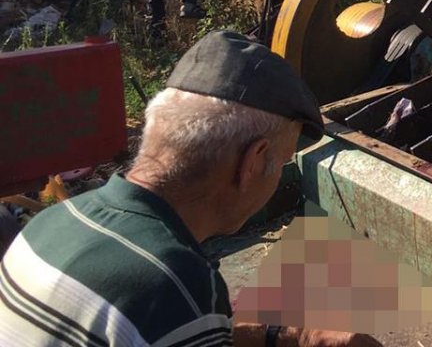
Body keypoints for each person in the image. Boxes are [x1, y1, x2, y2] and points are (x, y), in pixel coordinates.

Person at [0, 30, 383, 347]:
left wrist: (294, 337)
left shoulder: (51, 222)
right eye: (281, 163)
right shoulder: (175, 285)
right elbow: (164, 316)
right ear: (253, 162)